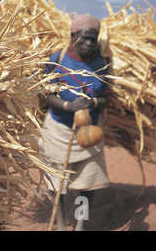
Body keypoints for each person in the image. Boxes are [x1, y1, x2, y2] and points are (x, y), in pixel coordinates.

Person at [39, 14, 110, 231]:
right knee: (56, 185)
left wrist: (95, 101)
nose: (89, 43)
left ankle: (80, 225)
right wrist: (69, 107)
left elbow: (108, 98)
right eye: (85, 38)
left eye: (94, 39)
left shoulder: (102, 63)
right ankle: (60, 224)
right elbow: (45, 94)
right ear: (73, 36)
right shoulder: (58, 59)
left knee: (86, 185)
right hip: (57, 131)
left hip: (89, 136)